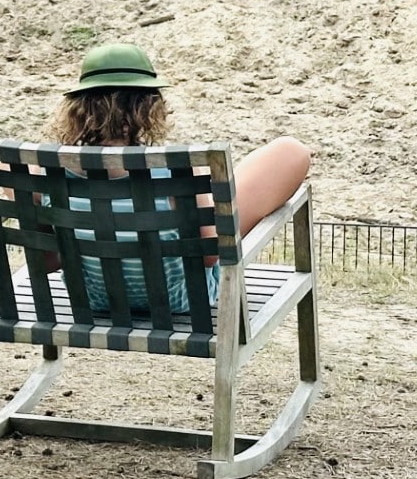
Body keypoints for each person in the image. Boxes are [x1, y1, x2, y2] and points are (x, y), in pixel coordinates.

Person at [46, 42, 310, 318]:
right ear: (148, 107)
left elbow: (47, 261)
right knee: (290, 151)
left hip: (94, 299)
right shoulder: (178, 170)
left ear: (77, 109)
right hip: (180, 299)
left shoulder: (50, 172)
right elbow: (210, 255)